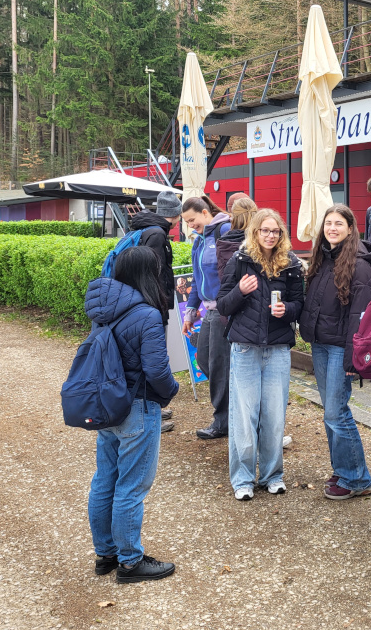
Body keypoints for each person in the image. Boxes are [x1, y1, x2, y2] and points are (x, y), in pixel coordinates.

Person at [85, 246, 180, 584]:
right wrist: (171, 391)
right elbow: (157, 371)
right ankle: (130, 562)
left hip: (106, 406)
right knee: (131, 486)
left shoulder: (103, 309)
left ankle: (105, 554)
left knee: (104, 479)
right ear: (147, 274)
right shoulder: (147, 315)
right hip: (137, 407)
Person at [217, 209, 304, 501]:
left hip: (278, 348)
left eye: (276, 231)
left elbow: (299, 304)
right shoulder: (240, 261)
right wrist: (240, 291)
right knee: (244, 416)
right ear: (255, 232)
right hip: (245, 348)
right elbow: (222, 306)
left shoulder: (290, 265)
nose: (270, 236)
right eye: (265, 230)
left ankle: (272, 475)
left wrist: (287, 310)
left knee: (274, 416)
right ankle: (242, 479)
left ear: (281, 234)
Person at [300, 204, 371, 500]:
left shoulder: (359, 264)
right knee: (330, 414)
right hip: (320, 343)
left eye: (338, 224)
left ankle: (357, 478)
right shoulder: (323, 258)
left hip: (339, 348)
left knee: (336, 412)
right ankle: (343, 469)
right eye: (328, 223)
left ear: (350, 228)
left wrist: (352, 358)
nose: (332, 228)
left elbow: (360, 316)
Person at [129, 191, 182, 433]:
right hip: (153, 307)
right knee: (152, 359)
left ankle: (153, 408)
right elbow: (156, 275)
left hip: (143, 305)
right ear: (175, 215)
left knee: (145, 358)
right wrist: (159, 308)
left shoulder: (145, 230)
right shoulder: (158, 235)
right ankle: (151, 412)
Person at [181, 196, 232, 441]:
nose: (190, 225)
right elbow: (197, 279)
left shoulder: (224, 231)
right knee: (204, 360)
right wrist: (190, 312)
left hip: (225, 309)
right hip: (208, 310)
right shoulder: (198, 242)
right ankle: (232, 408)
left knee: (219, 365)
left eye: (192, 219)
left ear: (204, 212)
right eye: (186, 222)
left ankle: (223, 420)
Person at [215, 197, 257, 282]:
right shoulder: (261, 239)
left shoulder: (223, 242)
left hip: (232, 292)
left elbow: (223, 275)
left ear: (233, 217)